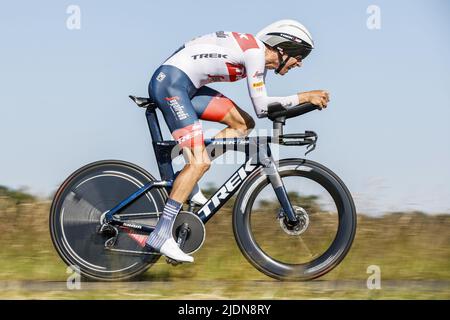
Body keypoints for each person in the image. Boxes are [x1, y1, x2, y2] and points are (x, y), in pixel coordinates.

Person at [145, 19, 330, 262]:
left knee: (243, 124)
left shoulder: (255, 54)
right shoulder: (255, 53)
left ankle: (189, 175)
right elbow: (262, 108)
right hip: (171, 85)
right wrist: (305, 96)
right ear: (284, 49)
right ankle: (161, 233)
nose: (300, 63)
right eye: (300, 56)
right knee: (200, 163)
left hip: (186, 85)